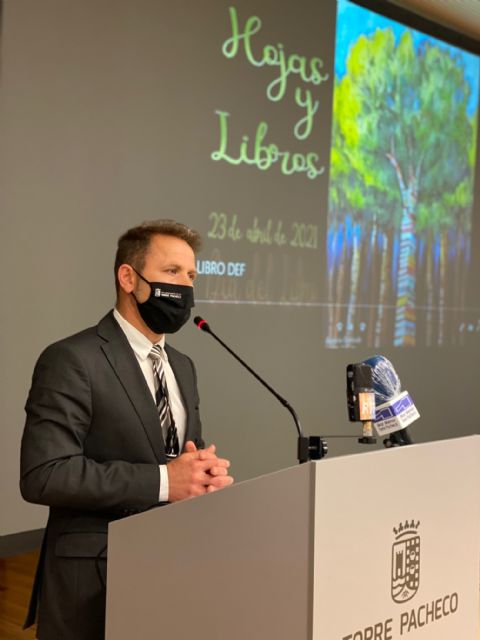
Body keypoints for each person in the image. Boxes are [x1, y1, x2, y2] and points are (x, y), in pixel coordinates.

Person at [20, 219, 234, 640]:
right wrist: (165, 481)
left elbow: (177, 459)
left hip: (170, 570)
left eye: (191, 276)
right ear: (127, 277)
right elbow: (44, 474)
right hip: (95, 578)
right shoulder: (72, 359)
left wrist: (201, 476)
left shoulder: (183, 367)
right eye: (172, 272)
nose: (185, 287)